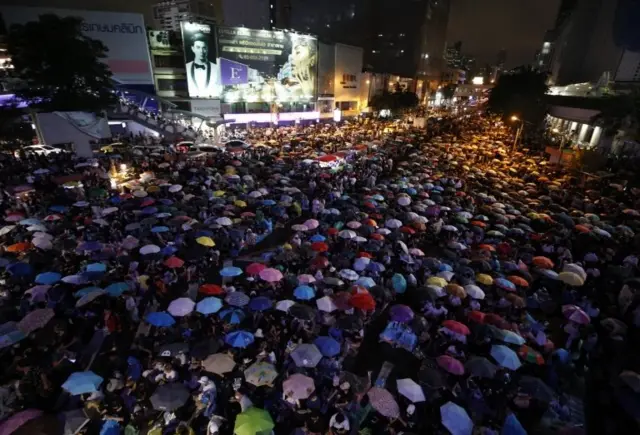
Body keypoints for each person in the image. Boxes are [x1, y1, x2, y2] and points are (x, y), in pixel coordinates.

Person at [185, 32, 221, 98]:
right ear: (193, 49)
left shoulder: (217, 68)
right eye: (198, 47)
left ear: (207, 49)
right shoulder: (186, 67)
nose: (201, 51)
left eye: (204, 48)